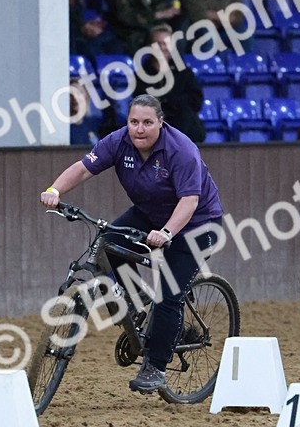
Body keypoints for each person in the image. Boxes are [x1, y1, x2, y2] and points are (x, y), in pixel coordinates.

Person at [39, 94, 223, 395]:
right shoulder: (119, 141)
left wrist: (165, 232)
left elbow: (190, 201)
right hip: (149, 213)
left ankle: (156, 367)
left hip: (197, 224)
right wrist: (55, 189)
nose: (139, 129)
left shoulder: (182, 150)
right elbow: (84, 168)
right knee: (110, 242)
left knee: (169, 293)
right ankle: (138, 304)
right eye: (134, 122)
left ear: (160, 123)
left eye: (148, 123)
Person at [134, 24, 205, 142]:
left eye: (166, 43)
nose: (162, 48)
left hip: (183, 127)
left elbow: (196, 101)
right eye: (158, 43)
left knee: (186, 114)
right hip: (155, 129)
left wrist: (170, 102)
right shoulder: (141, 75)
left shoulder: (183, 72)